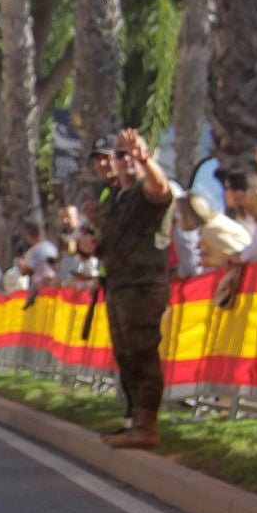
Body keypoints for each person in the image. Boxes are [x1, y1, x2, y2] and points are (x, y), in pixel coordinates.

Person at [93, 128, 172, 449]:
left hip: (142, 286)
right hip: (118, 285)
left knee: (143, 353)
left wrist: (146, 160)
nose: (124, 160)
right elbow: (109, 245)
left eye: (128, 154)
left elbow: (161, 188)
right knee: (125, 355)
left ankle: (147, 425)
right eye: (119, 155)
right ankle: (135, 422)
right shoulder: (115, 199)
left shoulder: (144, 192)